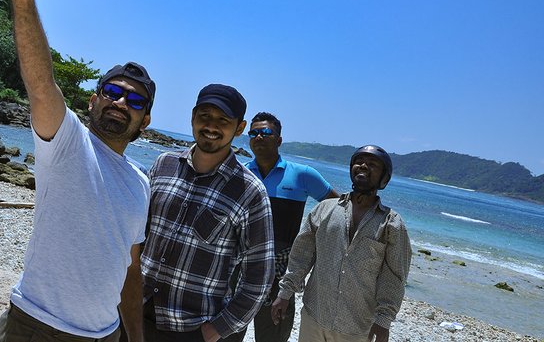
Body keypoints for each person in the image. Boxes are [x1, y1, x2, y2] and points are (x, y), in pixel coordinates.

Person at [0, 0, 154, 342]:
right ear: (93, 100)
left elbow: (130, 267)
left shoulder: (141, 182)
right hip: (35, 325)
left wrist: (133, 335)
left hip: (103, 335)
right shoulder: (67, 142)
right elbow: (41, 83)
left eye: (133, 99)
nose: (121, 101)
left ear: (145, 120)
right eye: (112, 92)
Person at [140, 84, 275, 342]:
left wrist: (216, 330)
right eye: (205, 116)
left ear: (239, 128)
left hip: (190, 329)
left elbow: (259, 277)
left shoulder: (250, 192)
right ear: (192, 117)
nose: (211, 126)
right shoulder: (163, 164)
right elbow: (136, 234)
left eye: (223, 120)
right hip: (133, 311)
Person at [272, 145, 412, 342]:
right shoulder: (324, 210)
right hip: (314, 316)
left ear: (384, 178)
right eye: (359, 161)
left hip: (356, 327)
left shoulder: (392, 224)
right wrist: (285, 292)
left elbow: (394, 275)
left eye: (372, 164)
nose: (363, 165)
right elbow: (301, 255)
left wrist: (384, 320)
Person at [224, 112, 339, 342]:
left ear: (278, 139)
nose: (259, 136)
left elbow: (337, 209)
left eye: (265, 132)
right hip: (239, 269)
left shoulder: (303, 175)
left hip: (280, 273)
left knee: (273, 335)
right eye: (254, 132)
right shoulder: (240, 173)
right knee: (227, 334)